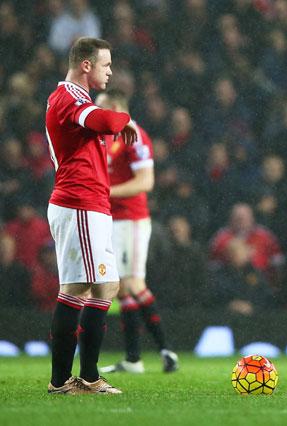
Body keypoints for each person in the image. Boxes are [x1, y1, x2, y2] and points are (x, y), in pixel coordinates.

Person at [45, 37, 137, 394]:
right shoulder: (70, 97)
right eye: (106, 65)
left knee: (106, 286)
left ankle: (86, 377)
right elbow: (101, 118)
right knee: (77, 289)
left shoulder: (73, 97)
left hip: (91, 203)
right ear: (86, 65)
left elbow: (99, 121)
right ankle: (63, 381)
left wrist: (115, 122)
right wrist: (122, 117)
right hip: (78, 202)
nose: (110, 71)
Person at [95, 89, 179, 375]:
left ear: (116, 108)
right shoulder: (106, 137)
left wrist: (103, 192)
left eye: (101, 107)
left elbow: (145, 181)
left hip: (130, 219)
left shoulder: (134, 135)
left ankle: (167, 350)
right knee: (123, 290)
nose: (96, 111)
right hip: (110, 218)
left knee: (132, 285)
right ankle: (133, 360)